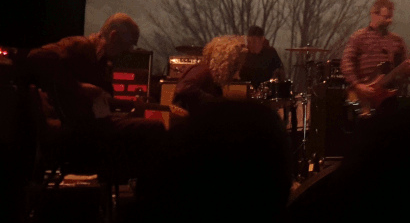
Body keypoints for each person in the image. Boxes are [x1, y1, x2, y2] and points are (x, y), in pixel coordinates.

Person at [24, 12, 164, 177]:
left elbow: (101, 98)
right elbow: (35, 56)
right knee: (155, 127)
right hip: (81, 130)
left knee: (144, 126)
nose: (129, 50)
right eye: (128, 44)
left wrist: (133, 105)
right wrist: (78, 87)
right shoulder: (80, 46)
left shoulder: (102, 62)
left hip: (89, 125)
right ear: (113, 36)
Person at [341, 0, 410, 112]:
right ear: (374, 15)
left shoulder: (397, 40)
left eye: (391, 17)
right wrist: (357, 85)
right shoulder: (358, 37)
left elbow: (405, 70)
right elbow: (346, 62)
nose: (390, 21)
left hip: (388, 97)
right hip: (363, 96)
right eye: (386, 17)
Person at [172, 35, 247, 115]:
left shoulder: (212, 76)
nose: (236, 69)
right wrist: (211, 100)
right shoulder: (203, 70)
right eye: (234, 65)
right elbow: (182, 88)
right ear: (224, 61)